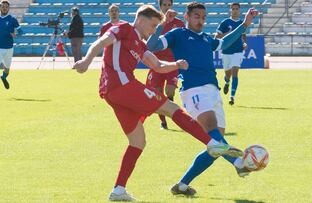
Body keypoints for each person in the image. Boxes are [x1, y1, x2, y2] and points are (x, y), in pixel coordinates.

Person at [73, 5, 242, 201]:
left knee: (138, 142)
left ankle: (118, 190)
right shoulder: (125, 28)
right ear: (141, 19)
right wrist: (86, 60)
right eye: (153, 25)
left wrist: (176, 65)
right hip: (123, 85)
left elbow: (158, 65)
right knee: (171, 108)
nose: (153, 30)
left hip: (114, 93)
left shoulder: (139, 43)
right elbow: (101, 42)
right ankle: (212, 144)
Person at [147, 2, 259, 195]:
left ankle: (181, 185)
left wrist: (245, 25)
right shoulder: (178, 34)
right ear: (187, 16)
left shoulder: (207, 39)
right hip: (192, 91)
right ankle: (239, 163)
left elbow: (225, 43)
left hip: (214, 92)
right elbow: (152, 46)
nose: (201, 20)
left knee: (215, 147)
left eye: (203, 17)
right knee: (214, 136)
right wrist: (163, 23)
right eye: (196, 16)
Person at [145, 0, 185, 130]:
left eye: (169, 5)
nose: (167, 7)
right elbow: (148, 42)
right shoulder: (154, 23)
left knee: (170, 90)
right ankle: (163, 122)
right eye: (164, 5)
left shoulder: (178, 23)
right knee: (156, 93)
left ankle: (174, 115)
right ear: (160, 6)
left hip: (172, 62)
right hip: (156, 62)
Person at [215, 2, 247, 105]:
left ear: (239, 10)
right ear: (230, 10)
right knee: (227, 74)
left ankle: (232, 97)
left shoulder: (242, 23)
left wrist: (245, 43)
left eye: (237, 9)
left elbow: (243, 35)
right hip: (226, 51)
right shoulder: (225, 22)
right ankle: (227, 82)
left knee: (235, 73)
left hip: (238, 51)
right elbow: (217, 37)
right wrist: (227, 34)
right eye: (233, 9)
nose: (235, 10)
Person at [0, 0, 23, 89]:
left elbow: (21, 31)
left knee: (7, 69)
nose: (4, 8)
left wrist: (15, 34)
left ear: (9, 8)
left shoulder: (12, 19)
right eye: (2, 6)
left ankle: (3, 77)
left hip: (9, 48)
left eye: (6, 7)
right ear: (0, 7)